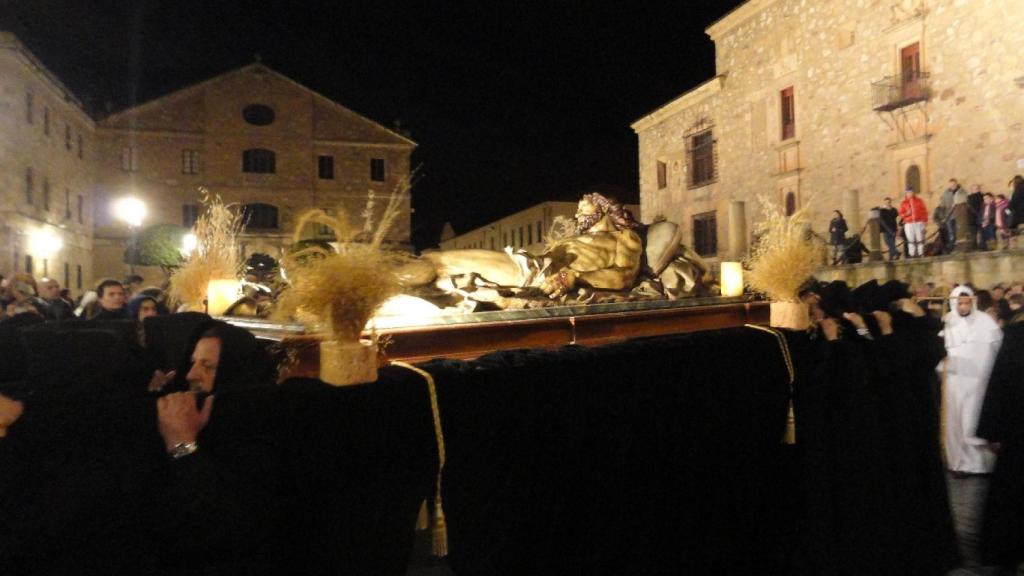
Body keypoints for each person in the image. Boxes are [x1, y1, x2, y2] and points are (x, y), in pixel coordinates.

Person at [151, 319, 280, 574]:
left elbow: (222, 526)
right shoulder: (187, 415)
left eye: (208, 366)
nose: (191, 375)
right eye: (193, 363)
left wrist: (182, 445)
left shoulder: (260, 433)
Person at [941, 285, 1004, 571]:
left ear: (973, 302)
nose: (964, 306)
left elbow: (999, 350)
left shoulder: (987, 324)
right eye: (960, 302)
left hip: (979, 385)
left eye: (967, 302)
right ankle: (960, 463)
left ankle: (981, 464)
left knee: (976, 423)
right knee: (956, 427)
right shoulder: (948, 323)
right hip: (956, 386)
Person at [899, 186, 928, 258]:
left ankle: (921, 253)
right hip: (909, 223)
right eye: (908, 192)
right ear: (906, 193)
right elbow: (901, 214)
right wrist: (906, 214)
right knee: (910, 239)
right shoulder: (903, 203)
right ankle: (912, 254)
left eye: (911, 192)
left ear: (913, 192)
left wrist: (925, 221)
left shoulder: (919, 201)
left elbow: (924, 211)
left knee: (920, 238)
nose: (909, 194)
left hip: (918, 222)